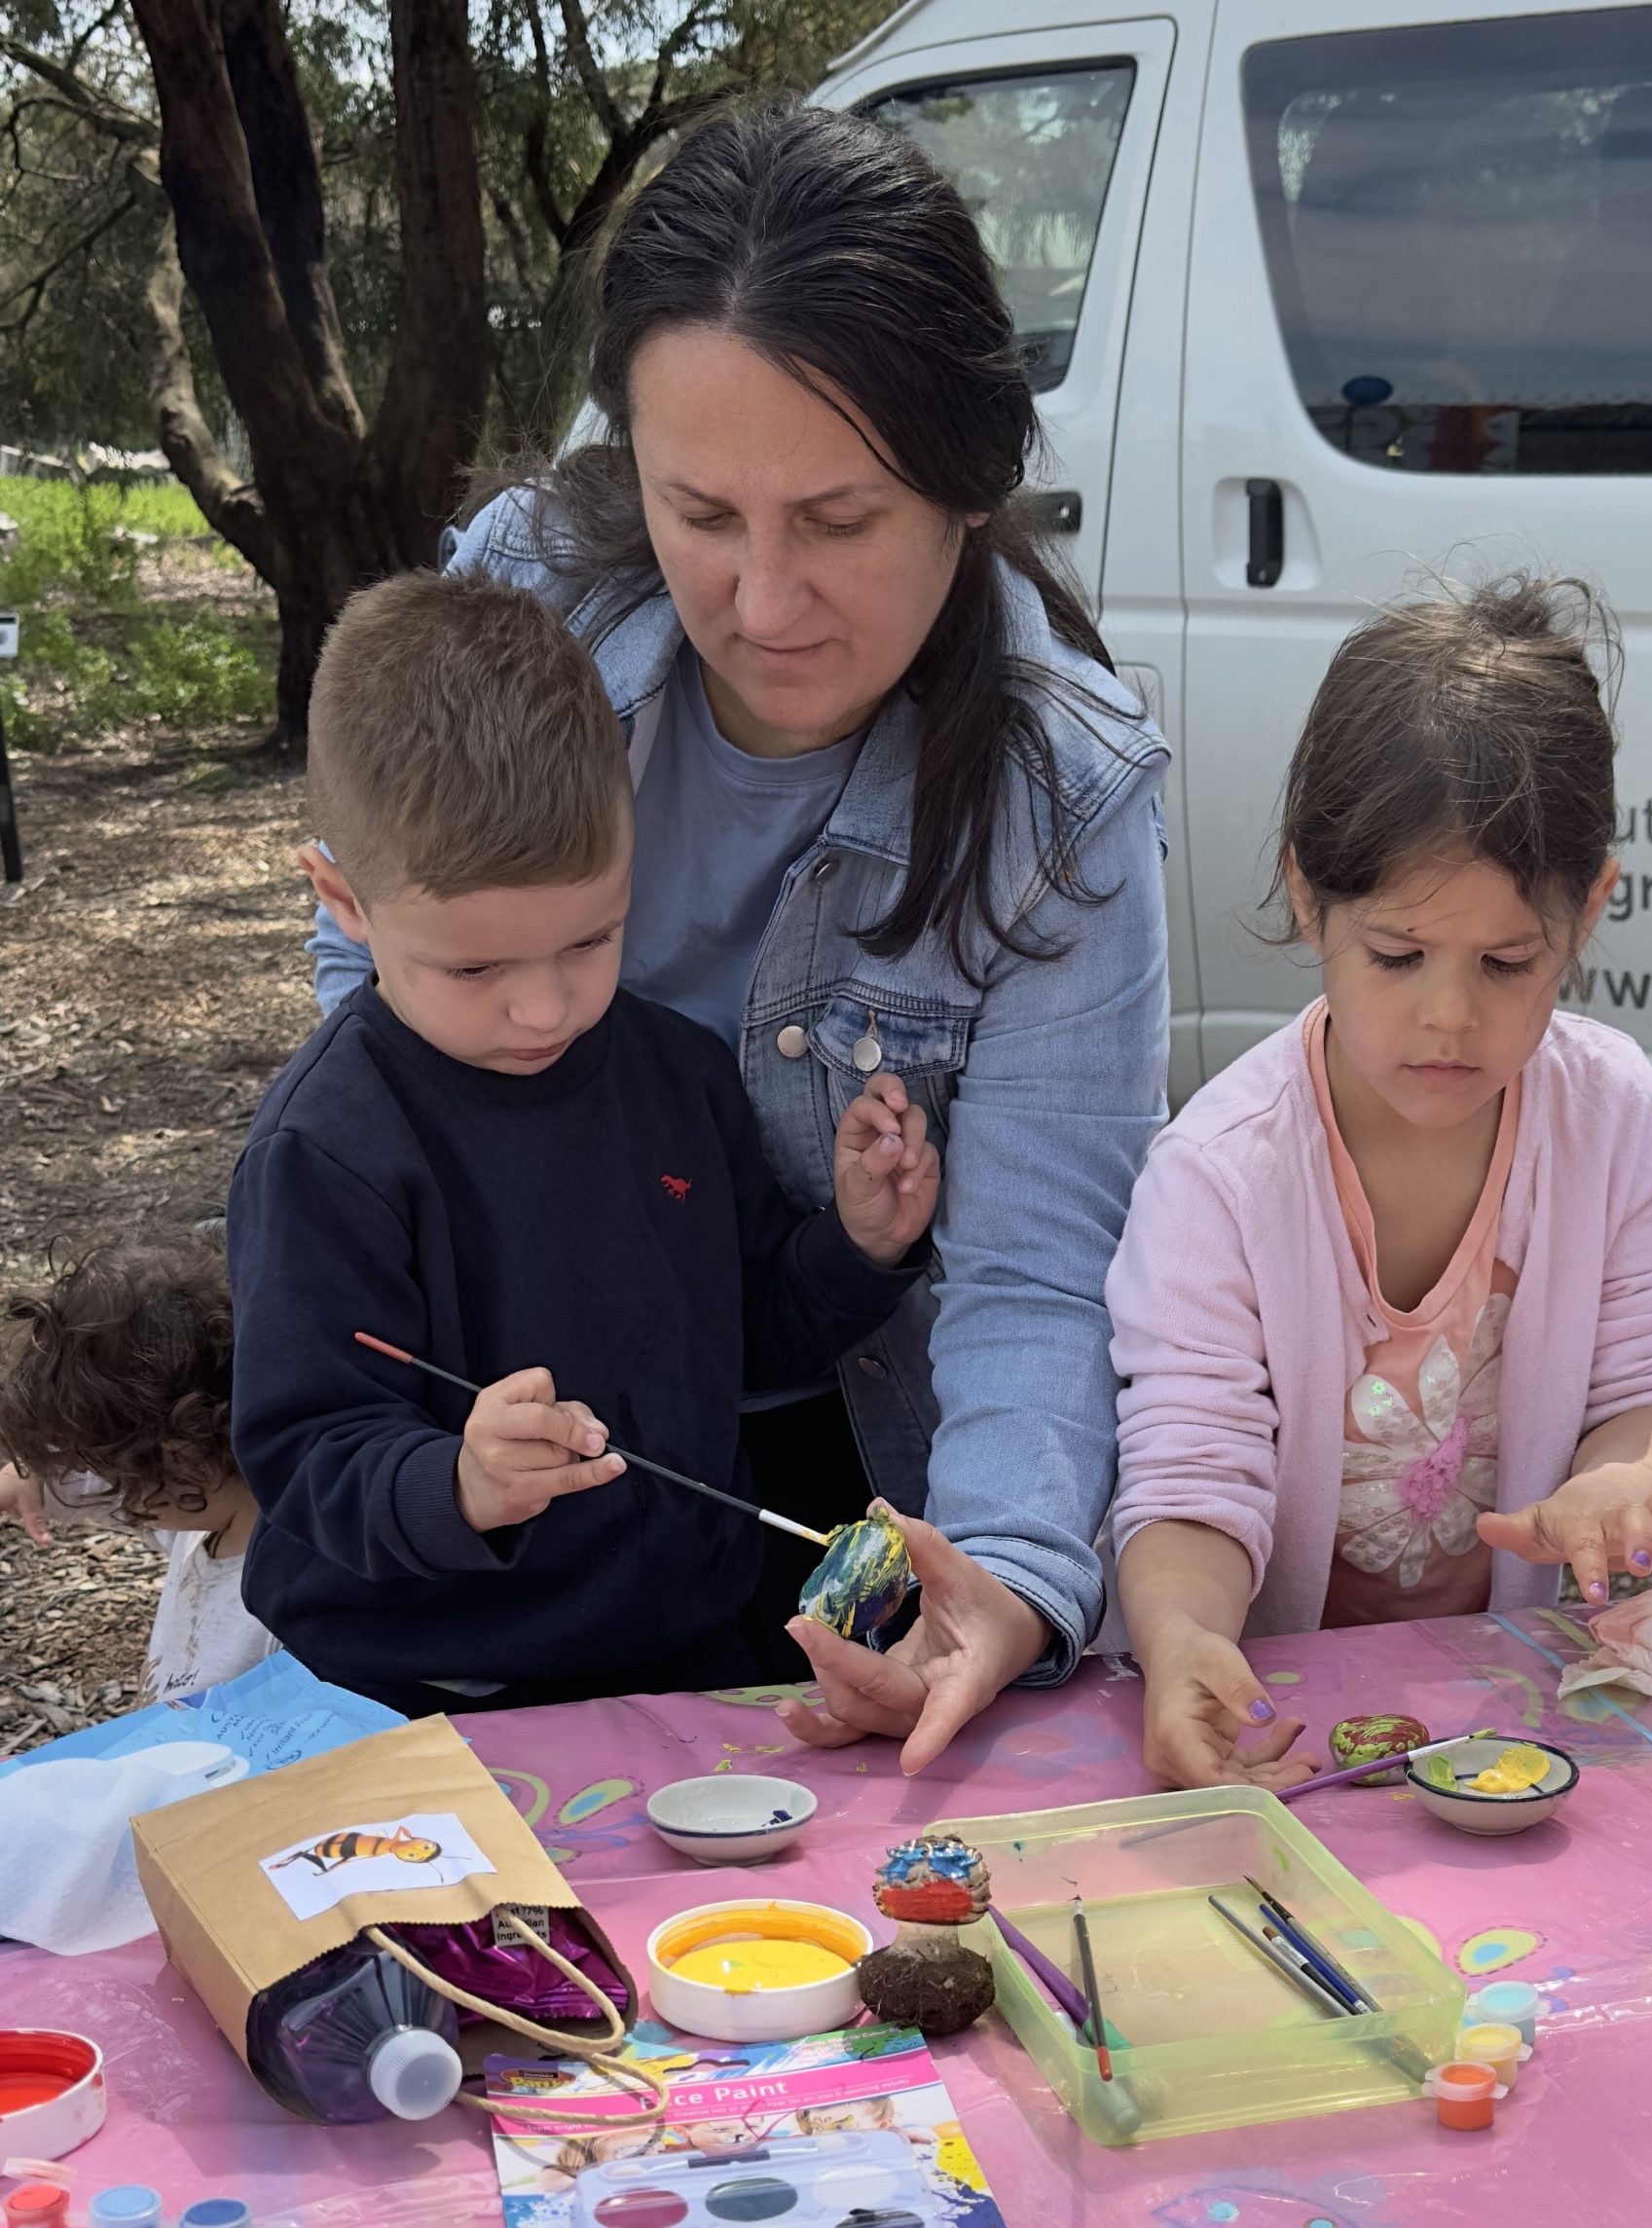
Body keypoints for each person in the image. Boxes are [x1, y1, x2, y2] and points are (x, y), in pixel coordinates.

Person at [303, 103, 1169, 1765]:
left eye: (839, 523)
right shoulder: (522, 599)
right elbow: (367, 1000)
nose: (764, 605)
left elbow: (1040, 1270)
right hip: (485, 1456)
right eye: (702, 512)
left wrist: (998, 1580)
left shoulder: (1059, 794)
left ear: (969, 483)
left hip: (846, 1479)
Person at [231, 570, 941, 1716]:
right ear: (344, 900)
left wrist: (857, 1246)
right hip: (420, 1690)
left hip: (691, 1661)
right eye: (472, 967)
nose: (545, 1009)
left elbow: (748, 1338)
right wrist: (455, 1480)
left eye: (590, 939)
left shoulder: (675, 1076)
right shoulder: (329, 1148)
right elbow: (307, 1445)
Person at [1105, 580, 1652, 1790]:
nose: (1449, 1014)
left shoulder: (1611, 1112)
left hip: (1524, 1717)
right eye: (1395, 956)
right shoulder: (1220, 1177)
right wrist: (1181, 1643)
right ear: (1304, 894)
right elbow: (1190, 1472)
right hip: (1277, 1726)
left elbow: (1648, 1386)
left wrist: (1628, 1480)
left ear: (1588, 907)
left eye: (1505, 962)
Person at [0, 1233, 279, 1700]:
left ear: (180, 1459)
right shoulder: (195, 1515)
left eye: (120, 1480)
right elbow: (65, 1478)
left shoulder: (284, 1591)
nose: (113, 1494)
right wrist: (23, 1480)